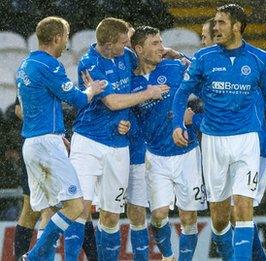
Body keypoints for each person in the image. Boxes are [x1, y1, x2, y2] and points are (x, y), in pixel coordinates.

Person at [172, 4, 266, 260]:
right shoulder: (204, 58)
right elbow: (181, 93)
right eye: (215, 23)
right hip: (213, 141)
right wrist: (177, 124)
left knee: (244, 209)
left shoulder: (260, 58)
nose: (215, 28)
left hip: (247, 139)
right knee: (220, 219)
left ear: (237, 26)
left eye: (221, 23)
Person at [65, 17, 169, 260]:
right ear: (109, 44)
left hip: (118, 146)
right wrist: (149, 93)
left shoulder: (126, 56)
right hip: (88, 141)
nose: (128, 47)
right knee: (78, 208)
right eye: (123, 43)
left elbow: (142, 52)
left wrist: (170, 52)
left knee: (111, 216)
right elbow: (112, 102)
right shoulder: (90, 63)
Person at [16, 16, 106, 260]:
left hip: (33, 143)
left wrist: (59, 134)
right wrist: (92, 90)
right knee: (75, 206)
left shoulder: (26, 64)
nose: (67, 41)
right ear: (57, 38)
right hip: (46, 145)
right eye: (66, 36)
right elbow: (76, 99)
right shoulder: (50, 66)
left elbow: (26, 108)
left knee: (47, 211)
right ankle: (33, 256)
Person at [130, 25, 206, 261]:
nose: (160, 48)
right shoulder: (131, 82)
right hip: (155, 155)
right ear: (139, 49)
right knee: (159, 215)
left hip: (187, 151)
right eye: (154, 44)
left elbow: (208, 73)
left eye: (161, 42)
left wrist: (180, 55)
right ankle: (168, 256)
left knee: (188, 217)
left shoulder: (173, 67)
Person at [13, 98, 41, 260]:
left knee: (79, 206)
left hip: (70, 141)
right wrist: (41, 120)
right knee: (31, 207)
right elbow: (18, 109)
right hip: (36, 142)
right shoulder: (30, 72)